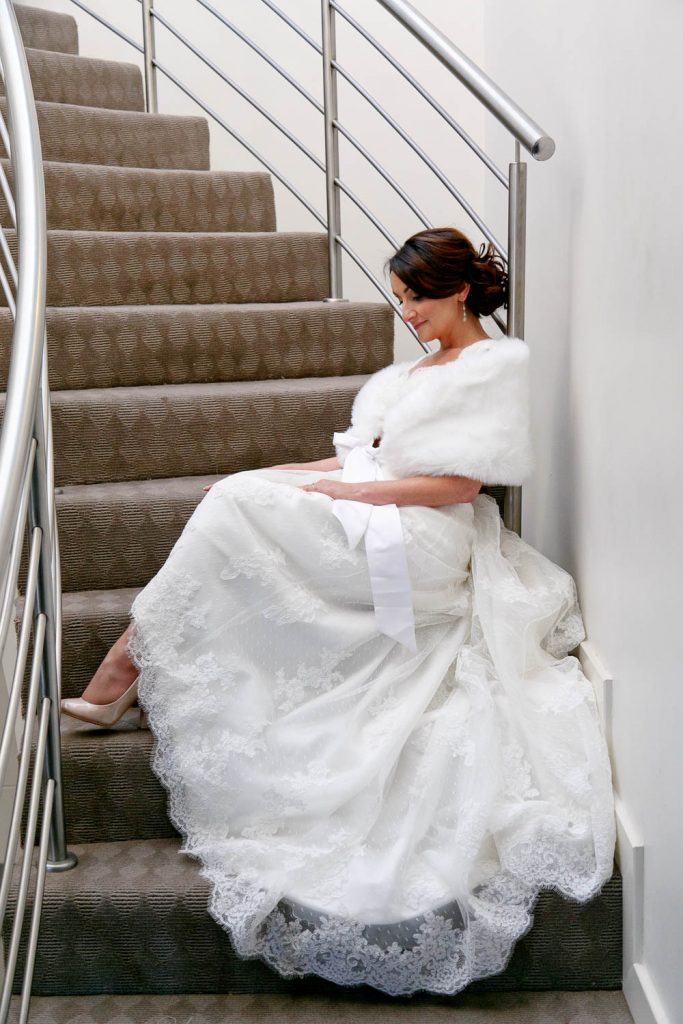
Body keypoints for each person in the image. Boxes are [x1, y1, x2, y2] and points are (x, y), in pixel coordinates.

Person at [61, 228, 616, 996]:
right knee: (234, 500)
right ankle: (130, 660)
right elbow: (361, 457)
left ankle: (121, 668)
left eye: (417, 297)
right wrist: (273, 477)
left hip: (424, 538)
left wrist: (349, 494)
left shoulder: (496, 364)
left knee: (243, 514)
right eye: (399, 300)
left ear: (459, 290)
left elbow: (457, 486)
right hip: (378, 511)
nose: (409, 312)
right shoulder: (416, 371)